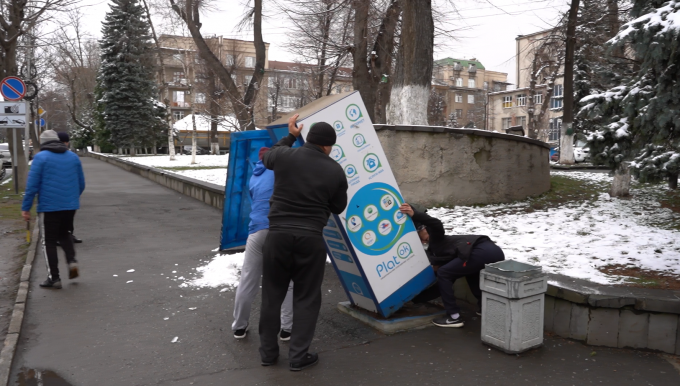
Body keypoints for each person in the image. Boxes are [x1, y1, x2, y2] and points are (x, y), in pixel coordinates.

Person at [259, 114, 347, 371]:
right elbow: (339, 206)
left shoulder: (286, 155)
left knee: (272, 295)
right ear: (328, 146)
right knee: (306, 297)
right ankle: (298, 357)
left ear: (308, 139)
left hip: (277, 236)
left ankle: (267, 354)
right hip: (310, 238)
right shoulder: (334, 169)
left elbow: (268, 156)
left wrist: (290, 136)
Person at [399, 203, 504, 328]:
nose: (422, 241)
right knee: (469, 274)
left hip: (479, 251)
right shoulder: (439, 255)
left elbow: (436, 223)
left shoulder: (436, 238)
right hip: (492, 251)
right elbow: (440, 286)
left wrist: (414, 214)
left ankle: (454, 317)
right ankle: (485, 308)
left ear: (424, 229)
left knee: (444, 273)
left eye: (419, 235)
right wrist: (414, 299)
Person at [232, 147, 295, 341]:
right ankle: (286, 329)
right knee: (287, 280)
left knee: (248, 279)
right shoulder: (282, 174)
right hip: (278, 231)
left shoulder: (255, 175)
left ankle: (239, 327)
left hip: (256, 231)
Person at [22, 130, 85, 289]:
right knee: (65, 234)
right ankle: (72, 262)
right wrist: (71, 198)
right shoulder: (72, 156)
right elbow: (81, 183)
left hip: (49, 207)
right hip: (70, 206)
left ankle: (54, 277)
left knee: (48, 241)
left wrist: (26, 207)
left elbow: (32, 186)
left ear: (43, 143)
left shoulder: (40, 158)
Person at [57, 131, 83, 244]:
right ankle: (66, 236)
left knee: (59, 216)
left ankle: (63, 236)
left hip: (55, 193)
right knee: (68, 216)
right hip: (69, 192)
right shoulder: (72, 157)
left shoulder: (47, 156)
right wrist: (77, 193)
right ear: (66, 143)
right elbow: (80, 179)